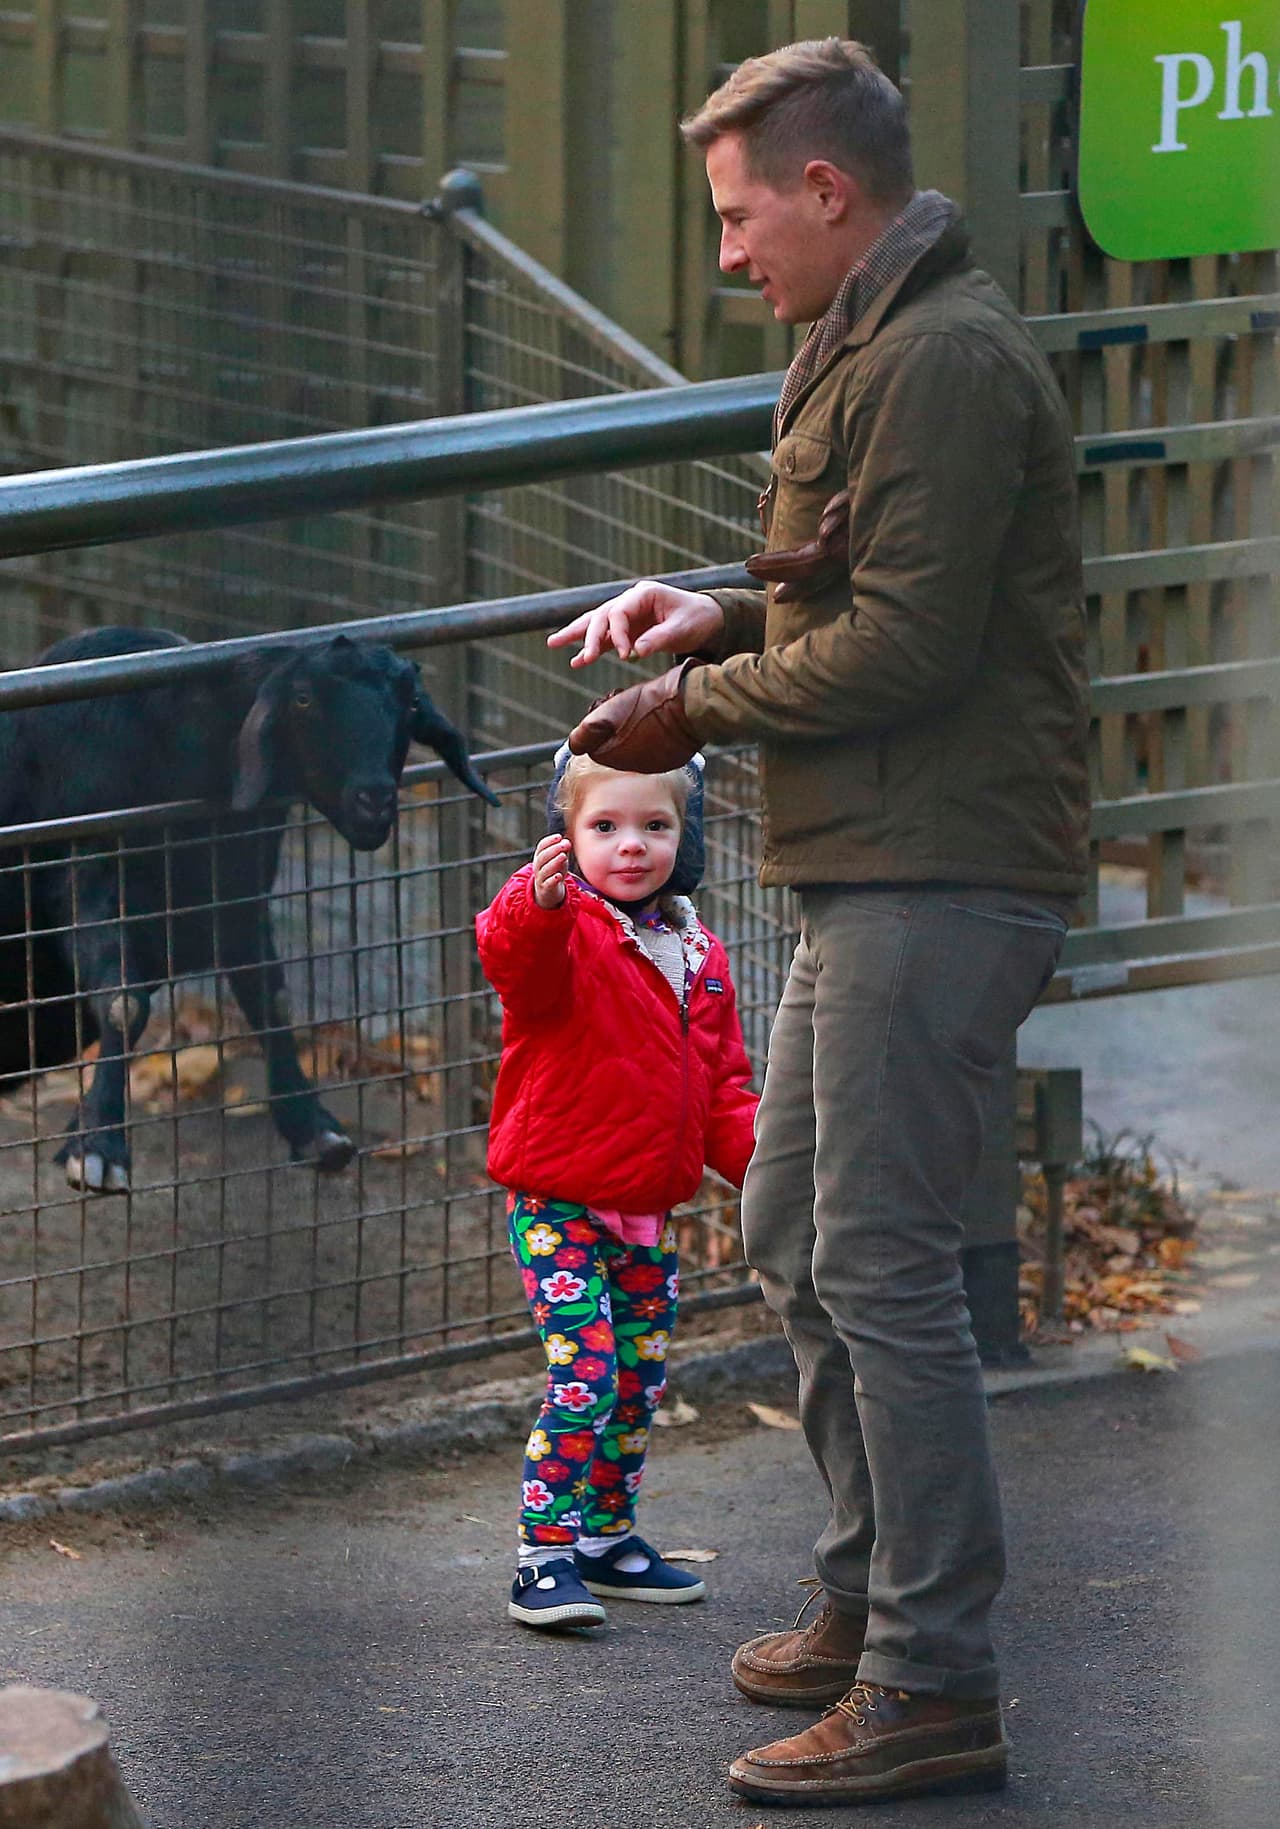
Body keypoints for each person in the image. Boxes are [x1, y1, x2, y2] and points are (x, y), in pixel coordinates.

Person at [546, 37, 1090, 1808]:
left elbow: (912, 648)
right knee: (793, 1229)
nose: (727, 251)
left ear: (828, 191)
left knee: (881, 1264)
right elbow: (857, 589)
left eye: (738, 214)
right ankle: (873, 1599)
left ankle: (934, 1677)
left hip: (943, 870)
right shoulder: (868, 338)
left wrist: (688, 710)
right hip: (880, 861)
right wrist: (712, 617)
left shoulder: (936, 359)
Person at [475, 744, 759, 1631]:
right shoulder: (564, 928)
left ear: (684, 834)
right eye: (604, 825)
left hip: (646, 1212)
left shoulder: (698, 952)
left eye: (655, 825)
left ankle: (606, 1538)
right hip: (557, 1202)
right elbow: (513, 962)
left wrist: (769, 1172)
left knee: (637, 1380)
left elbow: (724, 1086)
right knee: (586, 1373)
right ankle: (542, 1556)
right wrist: (536, 902)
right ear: (566, 833)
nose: (630, 844)